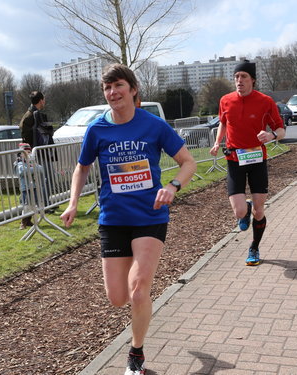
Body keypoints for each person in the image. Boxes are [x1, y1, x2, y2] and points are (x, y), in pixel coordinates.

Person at [60, 63, 196, 375]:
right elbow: (82, 168)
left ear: (132, 89)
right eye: (107, 88)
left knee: (138, 289)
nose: (112, 92)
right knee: (118, 298)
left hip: (150, 216)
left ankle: (136, 353)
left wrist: (172, 186)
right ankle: (137, 314)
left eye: (118, 85)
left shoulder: (154, 125)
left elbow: (188, 163)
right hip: (113, 220)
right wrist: (72, 203)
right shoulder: (97, 129)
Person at [210, 60, 285, 266]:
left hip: (257, 160)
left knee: (259, 211)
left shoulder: (265, 101)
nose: (239, 80)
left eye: (243, 76)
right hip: (234, 159)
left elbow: (281, 130)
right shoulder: (226, 100)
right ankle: (245, 208)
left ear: (252, 79)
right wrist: (217, 142)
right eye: (236, 77)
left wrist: (270, 136)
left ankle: (254, 248)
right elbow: (223, 123)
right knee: (240, 212)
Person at [19, 91, 55, 209]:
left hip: (38, 152)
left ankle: (46, 203)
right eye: (44, 99)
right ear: (41, 100)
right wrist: (31, 152)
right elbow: (26, 136)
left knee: (45, 178)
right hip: (38, 153)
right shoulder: (31, 116)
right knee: (44, 178)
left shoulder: (31, 114)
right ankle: (44, 204)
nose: (44, 101)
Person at [14, 142, 44, 229]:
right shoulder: (19, 163)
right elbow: (23, 172)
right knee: (27, 205)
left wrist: (32, 167)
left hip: (34, 186)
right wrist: (33, 169)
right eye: (25, 152)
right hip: (25, 188)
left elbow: (41, 169)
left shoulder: (32, 162)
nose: (28, 154)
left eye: (29, 152)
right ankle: (23, 222)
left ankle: (28, 221)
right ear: (21, 154)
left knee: (33, 204)